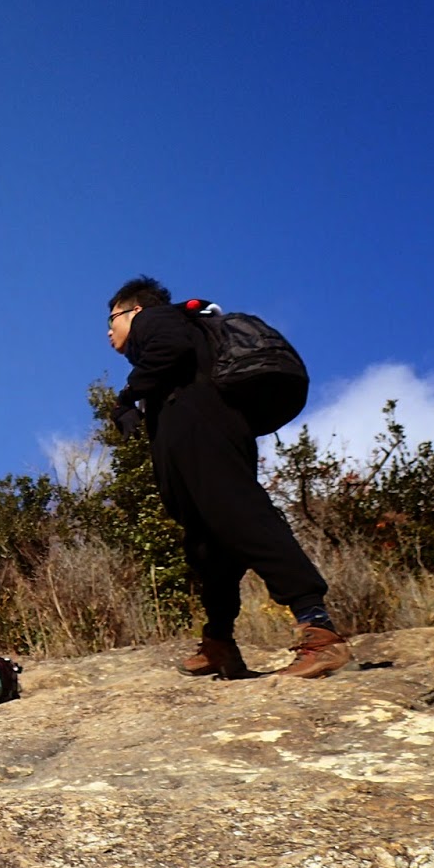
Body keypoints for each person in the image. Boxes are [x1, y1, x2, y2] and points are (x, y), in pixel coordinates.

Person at [107, 276, 352, 679]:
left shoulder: (155, 318)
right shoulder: (166, 339)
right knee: (209, 547)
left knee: (247, 520)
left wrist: (126, 396)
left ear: (134, 310)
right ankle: (219, 641)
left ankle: (320, 633)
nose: (108, 331)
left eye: (112, 319)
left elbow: (173, 346)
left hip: (205, 435)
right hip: (196, 441)